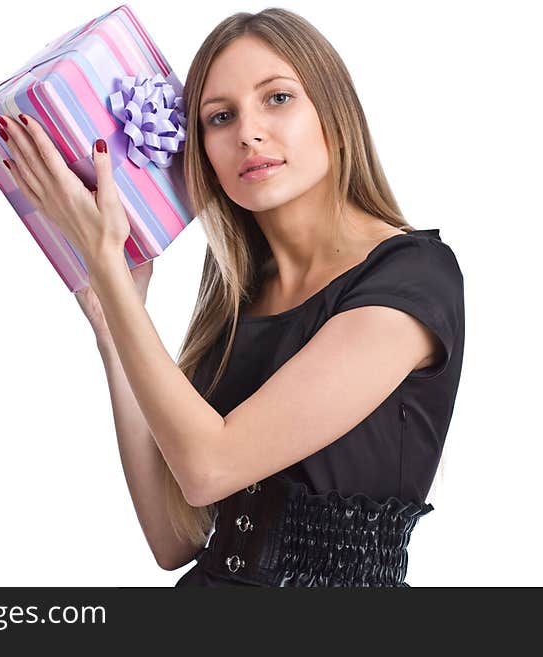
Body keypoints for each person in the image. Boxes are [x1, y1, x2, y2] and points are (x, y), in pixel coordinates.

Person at [75, 8, 464, 587]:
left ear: (333, 111)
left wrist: (108, 265)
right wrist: (114, 326)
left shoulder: (411, 279)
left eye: (277, 98)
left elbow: (209, 466)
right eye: (220, 117)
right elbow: (172, 537)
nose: (248, 132)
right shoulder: (238, 296)